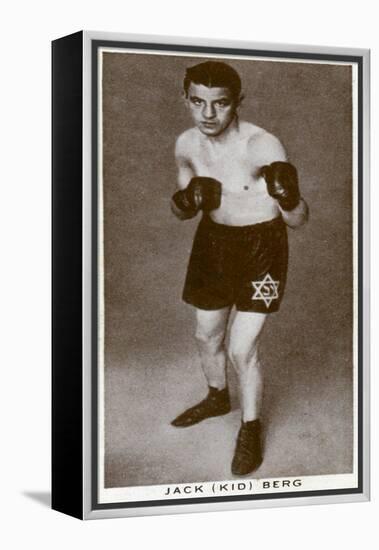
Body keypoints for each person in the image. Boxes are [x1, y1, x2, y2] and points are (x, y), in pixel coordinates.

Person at [170, 60, 308, 476]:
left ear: (238, 104)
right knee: (205, 334)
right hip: (212, 246)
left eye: (220, 104)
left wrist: (288, 198)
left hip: (261, 248)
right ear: (187, 100)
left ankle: (250, 427)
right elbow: (183, 208)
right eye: (198, 102)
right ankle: (216, 397)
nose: (208, 114)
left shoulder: (263, 146)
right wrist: (186, 200)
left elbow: (298, 219)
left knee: (241, 348)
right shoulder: (186, 145)